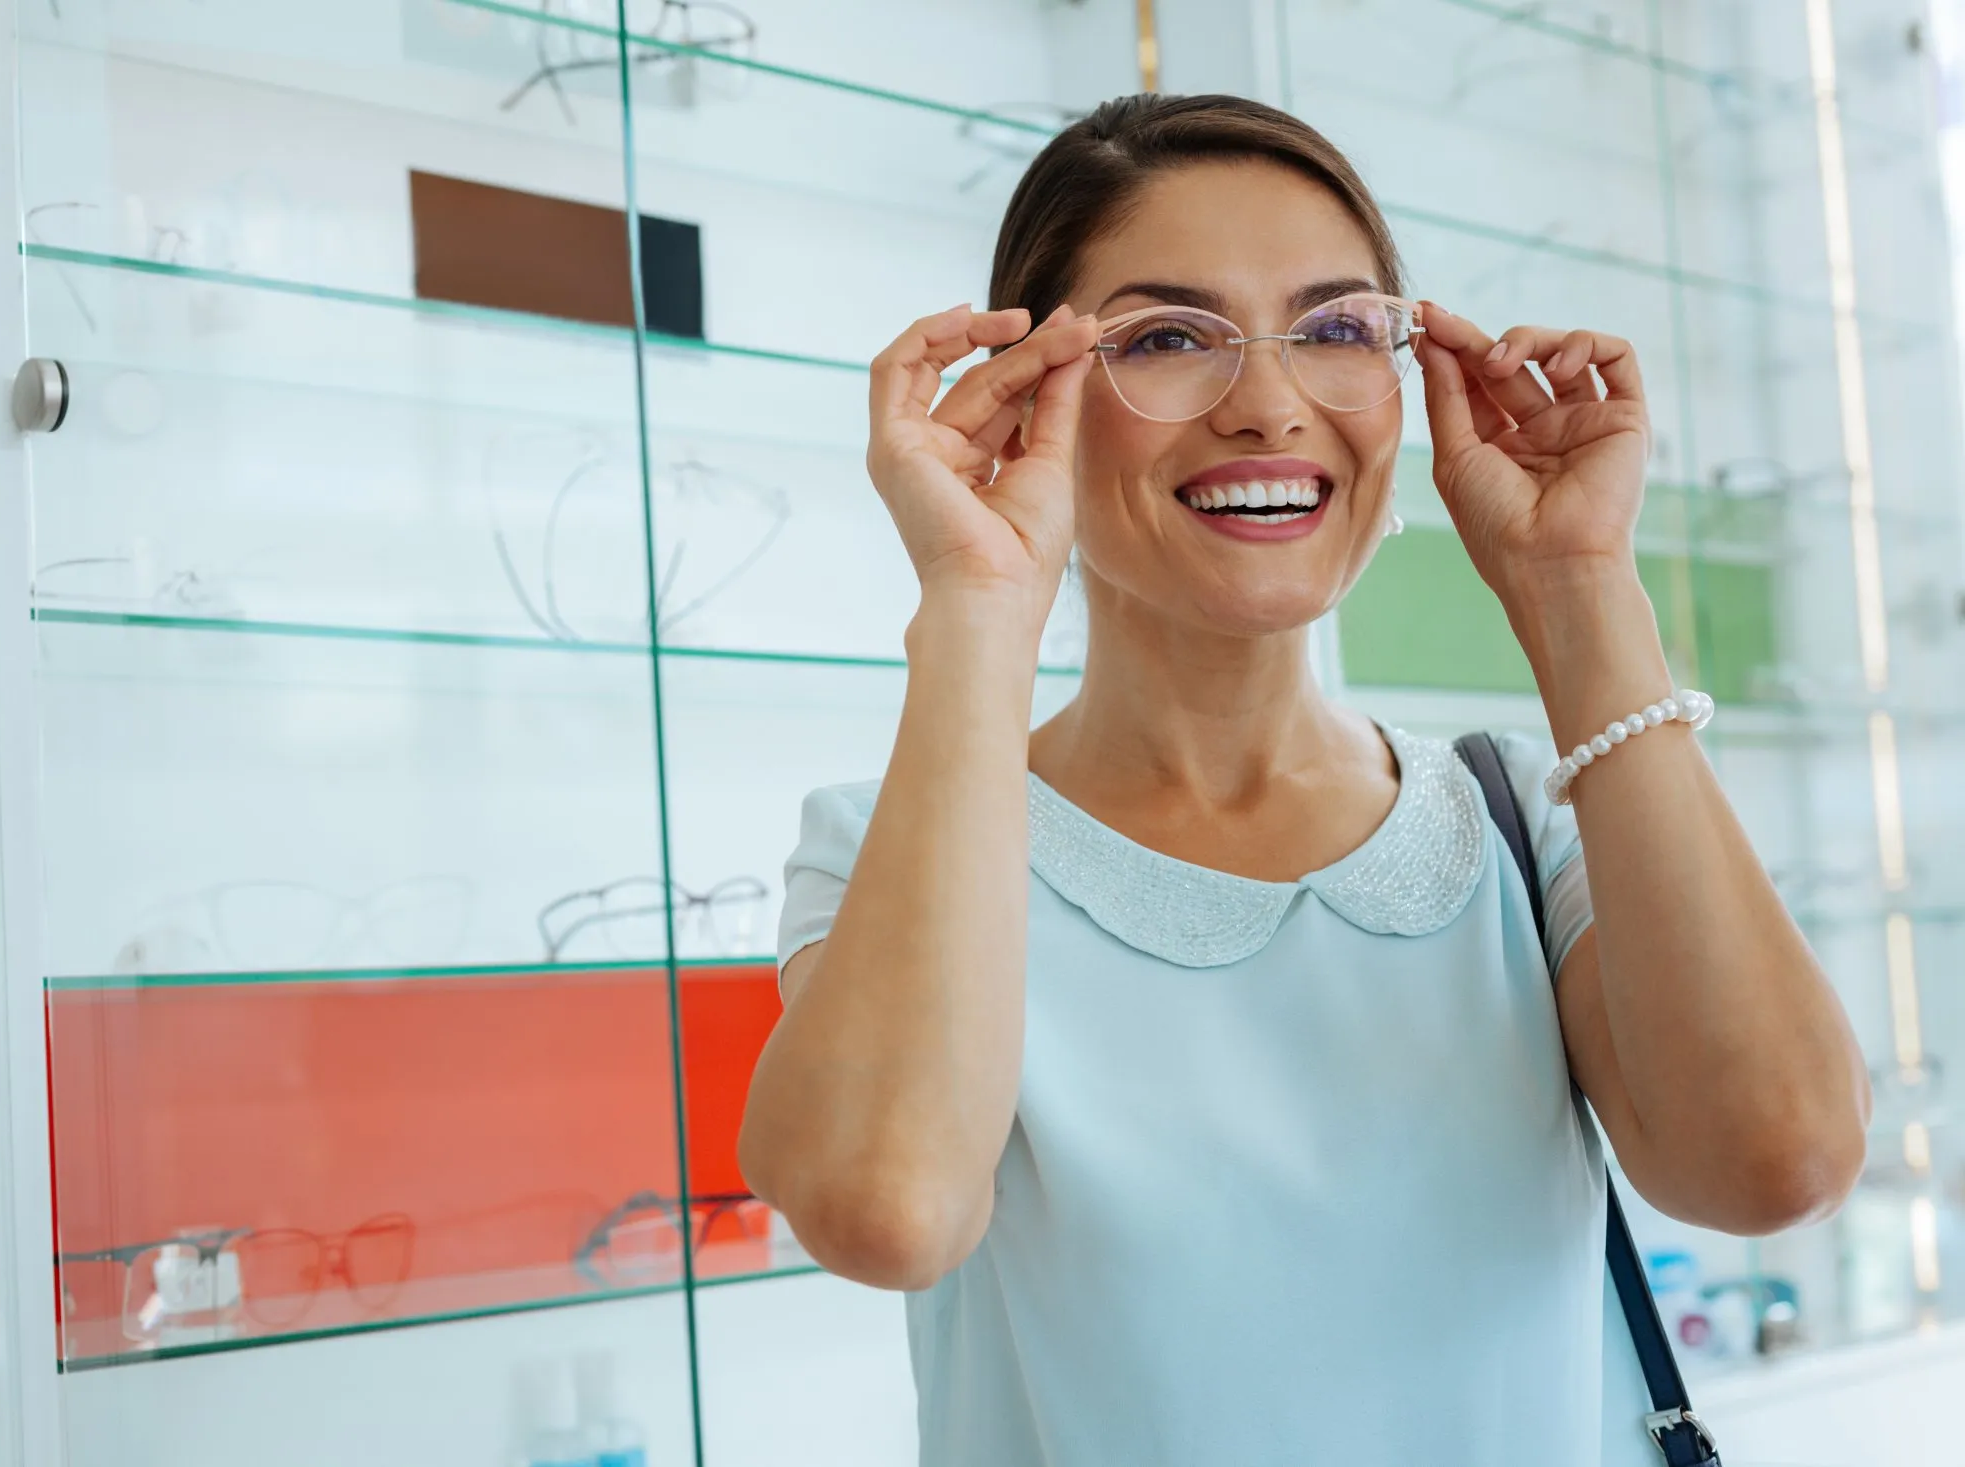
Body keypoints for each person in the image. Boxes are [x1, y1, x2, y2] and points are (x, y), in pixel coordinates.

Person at [736, 93, 1868, 1463]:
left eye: (1336, 332)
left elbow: (1778, 1161)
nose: (1270, 404)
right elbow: (887, 1208)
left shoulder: (1523, 821)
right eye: (1166, 338)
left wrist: (1579, 590)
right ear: (1032, 392)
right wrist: (979, 600)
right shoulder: (890, 845)